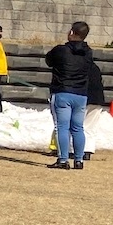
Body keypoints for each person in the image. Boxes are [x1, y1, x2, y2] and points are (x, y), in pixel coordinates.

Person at [44, 21, 93, 170]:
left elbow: (49, 60)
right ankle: (79, 160)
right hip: (81, 94)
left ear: (72, 33)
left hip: (62, 91)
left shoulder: (61, 50)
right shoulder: (88, 52)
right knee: (78, 127)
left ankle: (63, 159)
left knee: (62, 127)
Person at [81, 58, 107, 162]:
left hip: (84, 98)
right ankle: (87, 151)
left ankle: (74, 150)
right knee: (91, 127)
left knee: (78, 126)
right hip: (98, 100)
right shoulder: (95, 68)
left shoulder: (79, 67)